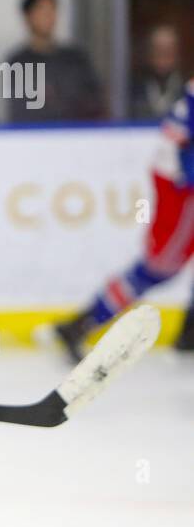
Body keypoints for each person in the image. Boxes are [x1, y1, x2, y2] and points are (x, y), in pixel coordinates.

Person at [47, 82, 194, 360]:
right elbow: (183, 150)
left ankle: (190, 331)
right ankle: (82, 324)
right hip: (181, 184)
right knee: (161, 266)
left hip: (179, 176)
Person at [4, 0, 106, 123]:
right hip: (38, 136)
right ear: (28, 16)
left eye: (52, 10)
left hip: (78, 134)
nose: (49, 17)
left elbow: (95, 99)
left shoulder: (75, 58)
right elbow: (23, 109)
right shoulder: (18, 62)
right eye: (42, 11)